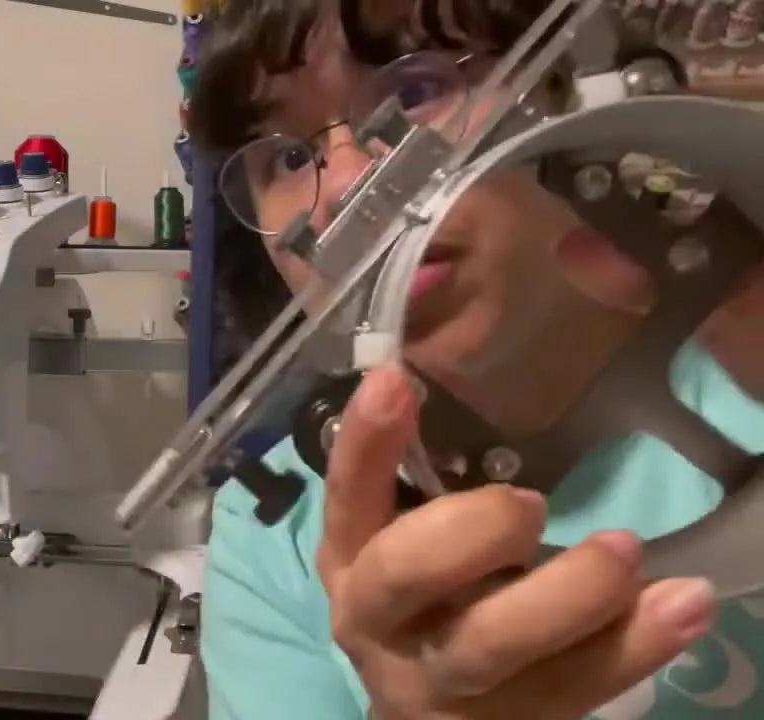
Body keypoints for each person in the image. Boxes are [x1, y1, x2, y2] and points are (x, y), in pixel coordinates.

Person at [186, 1, 764, 718]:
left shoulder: (750, 367)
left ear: (570, 102)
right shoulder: (278, 531)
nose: (344, 189)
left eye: (413, 95)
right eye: (288, 158)